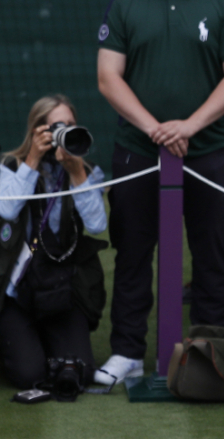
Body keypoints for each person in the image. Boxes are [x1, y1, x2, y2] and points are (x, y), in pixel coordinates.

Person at [95, 0, 224, 384]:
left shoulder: (222, 5)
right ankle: (125, 353)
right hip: (136, 153)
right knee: (133, 253)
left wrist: (189, 126)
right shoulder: (125, 5)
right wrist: (157, 130)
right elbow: (108, 77)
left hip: (209, 153)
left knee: (214, 254)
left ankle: (211, 355)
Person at [0, 95, 107, 389]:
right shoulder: (10, 166)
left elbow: (98, 224)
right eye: (57, 125)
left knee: (80, 371)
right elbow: (7, 209)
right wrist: (32, 160)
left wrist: (76, 173)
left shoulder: (85, 171)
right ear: (37, 130)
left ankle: (44, 341)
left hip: (61, 288)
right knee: (29, 376)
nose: (65, 131)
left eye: (71, 125)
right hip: (18, 290)